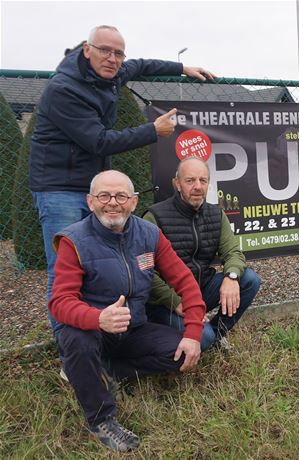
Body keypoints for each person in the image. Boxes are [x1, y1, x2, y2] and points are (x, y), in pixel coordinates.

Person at [29, 25, 214, 346]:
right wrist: (152, 131)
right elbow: (97, 141)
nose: (113, 59)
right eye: (105, 51)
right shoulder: (64, 89)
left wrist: (182, 68)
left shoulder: (113, 72)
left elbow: (142, 65)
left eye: (118, 53)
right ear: (87, 50)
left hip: (95, 184)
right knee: (63, 269)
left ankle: (107, 338)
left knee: (102, 264)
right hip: (58, 186)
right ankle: (69, 350)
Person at [49, 170, 206, 452]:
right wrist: (98, 318)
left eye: (121, 196)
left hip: (133, 328)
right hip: (93, 330)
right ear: (90, 201)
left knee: (183, 352)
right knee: (76, 339)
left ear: (133, 202)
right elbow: (59, 303)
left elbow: (185, 282)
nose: (112, 203)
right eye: (104, 196)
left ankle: (98, 371)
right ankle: (102, 419)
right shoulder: (73, 241)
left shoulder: (149, 234)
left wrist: (193, 333)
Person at [143, 157, 261, 350]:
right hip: (166, 302)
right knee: (202, 337)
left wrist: (231, 277)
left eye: (203, 181)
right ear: (177, 184)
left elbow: (233, 252)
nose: (197, 186)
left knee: (249, 279)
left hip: (200, 290)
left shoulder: (216, 214)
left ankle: (215, 334)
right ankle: (204, 337)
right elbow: (145, 271)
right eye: (190, 181)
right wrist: (175, 301)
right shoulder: (154, 217)